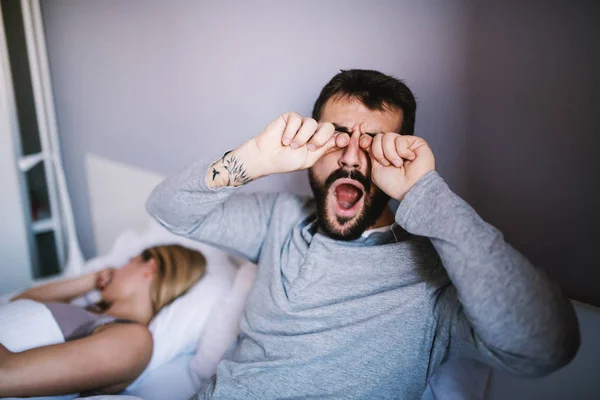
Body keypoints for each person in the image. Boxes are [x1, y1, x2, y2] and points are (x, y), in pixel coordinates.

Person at [146, 69, 580, 399]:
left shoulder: (435, 275)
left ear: (399, 155)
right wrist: (254, 160)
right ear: (310, 145)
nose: (352, 158)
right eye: (336, 138)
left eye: (372, 143)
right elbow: (166, 210)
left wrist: (426, 195)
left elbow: (548, 345)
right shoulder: (279, 219)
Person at [0, 244, 206, 398]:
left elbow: (5, 374)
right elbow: (18, 304)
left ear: (150, 267)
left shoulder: (133, 340)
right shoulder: (89, 314)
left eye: (128, 261)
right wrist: (89, 281)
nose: (116, 269)